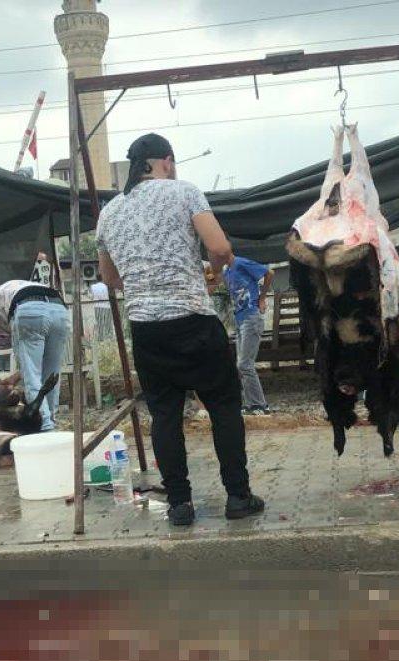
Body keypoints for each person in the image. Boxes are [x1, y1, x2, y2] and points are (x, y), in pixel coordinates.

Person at [96, 132, 263, 526]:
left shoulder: (109, 213)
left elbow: (109, 277)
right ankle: (238, 496)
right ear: (165, 161)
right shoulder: (184, 192)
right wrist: (212, 272)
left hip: (147, 330)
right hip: (193, 320)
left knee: (165, 415)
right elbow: (220, 248)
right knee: (223, 407)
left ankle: (180, 504)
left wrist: (144, 282)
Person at [0, 278, 69, 432]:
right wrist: (14, 378)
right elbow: (38, 361)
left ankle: (45, 428)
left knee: (33, 379)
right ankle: (50, 422)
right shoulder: (7, 298)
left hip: (28, 307)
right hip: (59, 308)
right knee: (51, 376)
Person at [219, 255, 273, 415]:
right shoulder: (227, 271)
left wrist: (262, 298)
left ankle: (260, 405)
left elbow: (269, 273)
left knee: (245, 364)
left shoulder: (240, 263)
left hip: (251, 317)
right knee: (241, 365)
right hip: (239, 319)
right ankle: (251, 404)